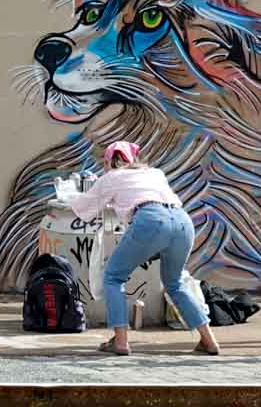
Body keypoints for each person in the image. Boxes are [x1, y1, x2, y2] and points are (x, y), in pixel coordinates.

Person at [70, 140, 221, 357]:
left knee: (113, 277)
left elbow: (83, 208)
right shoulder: (155, 173)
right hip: (182, 221)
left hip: (150, 221)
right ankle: (209, 340)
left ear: (109, 162)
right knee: (175, 283)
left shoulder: (111, 177)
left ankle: (120, 341)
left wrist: (71, 195)